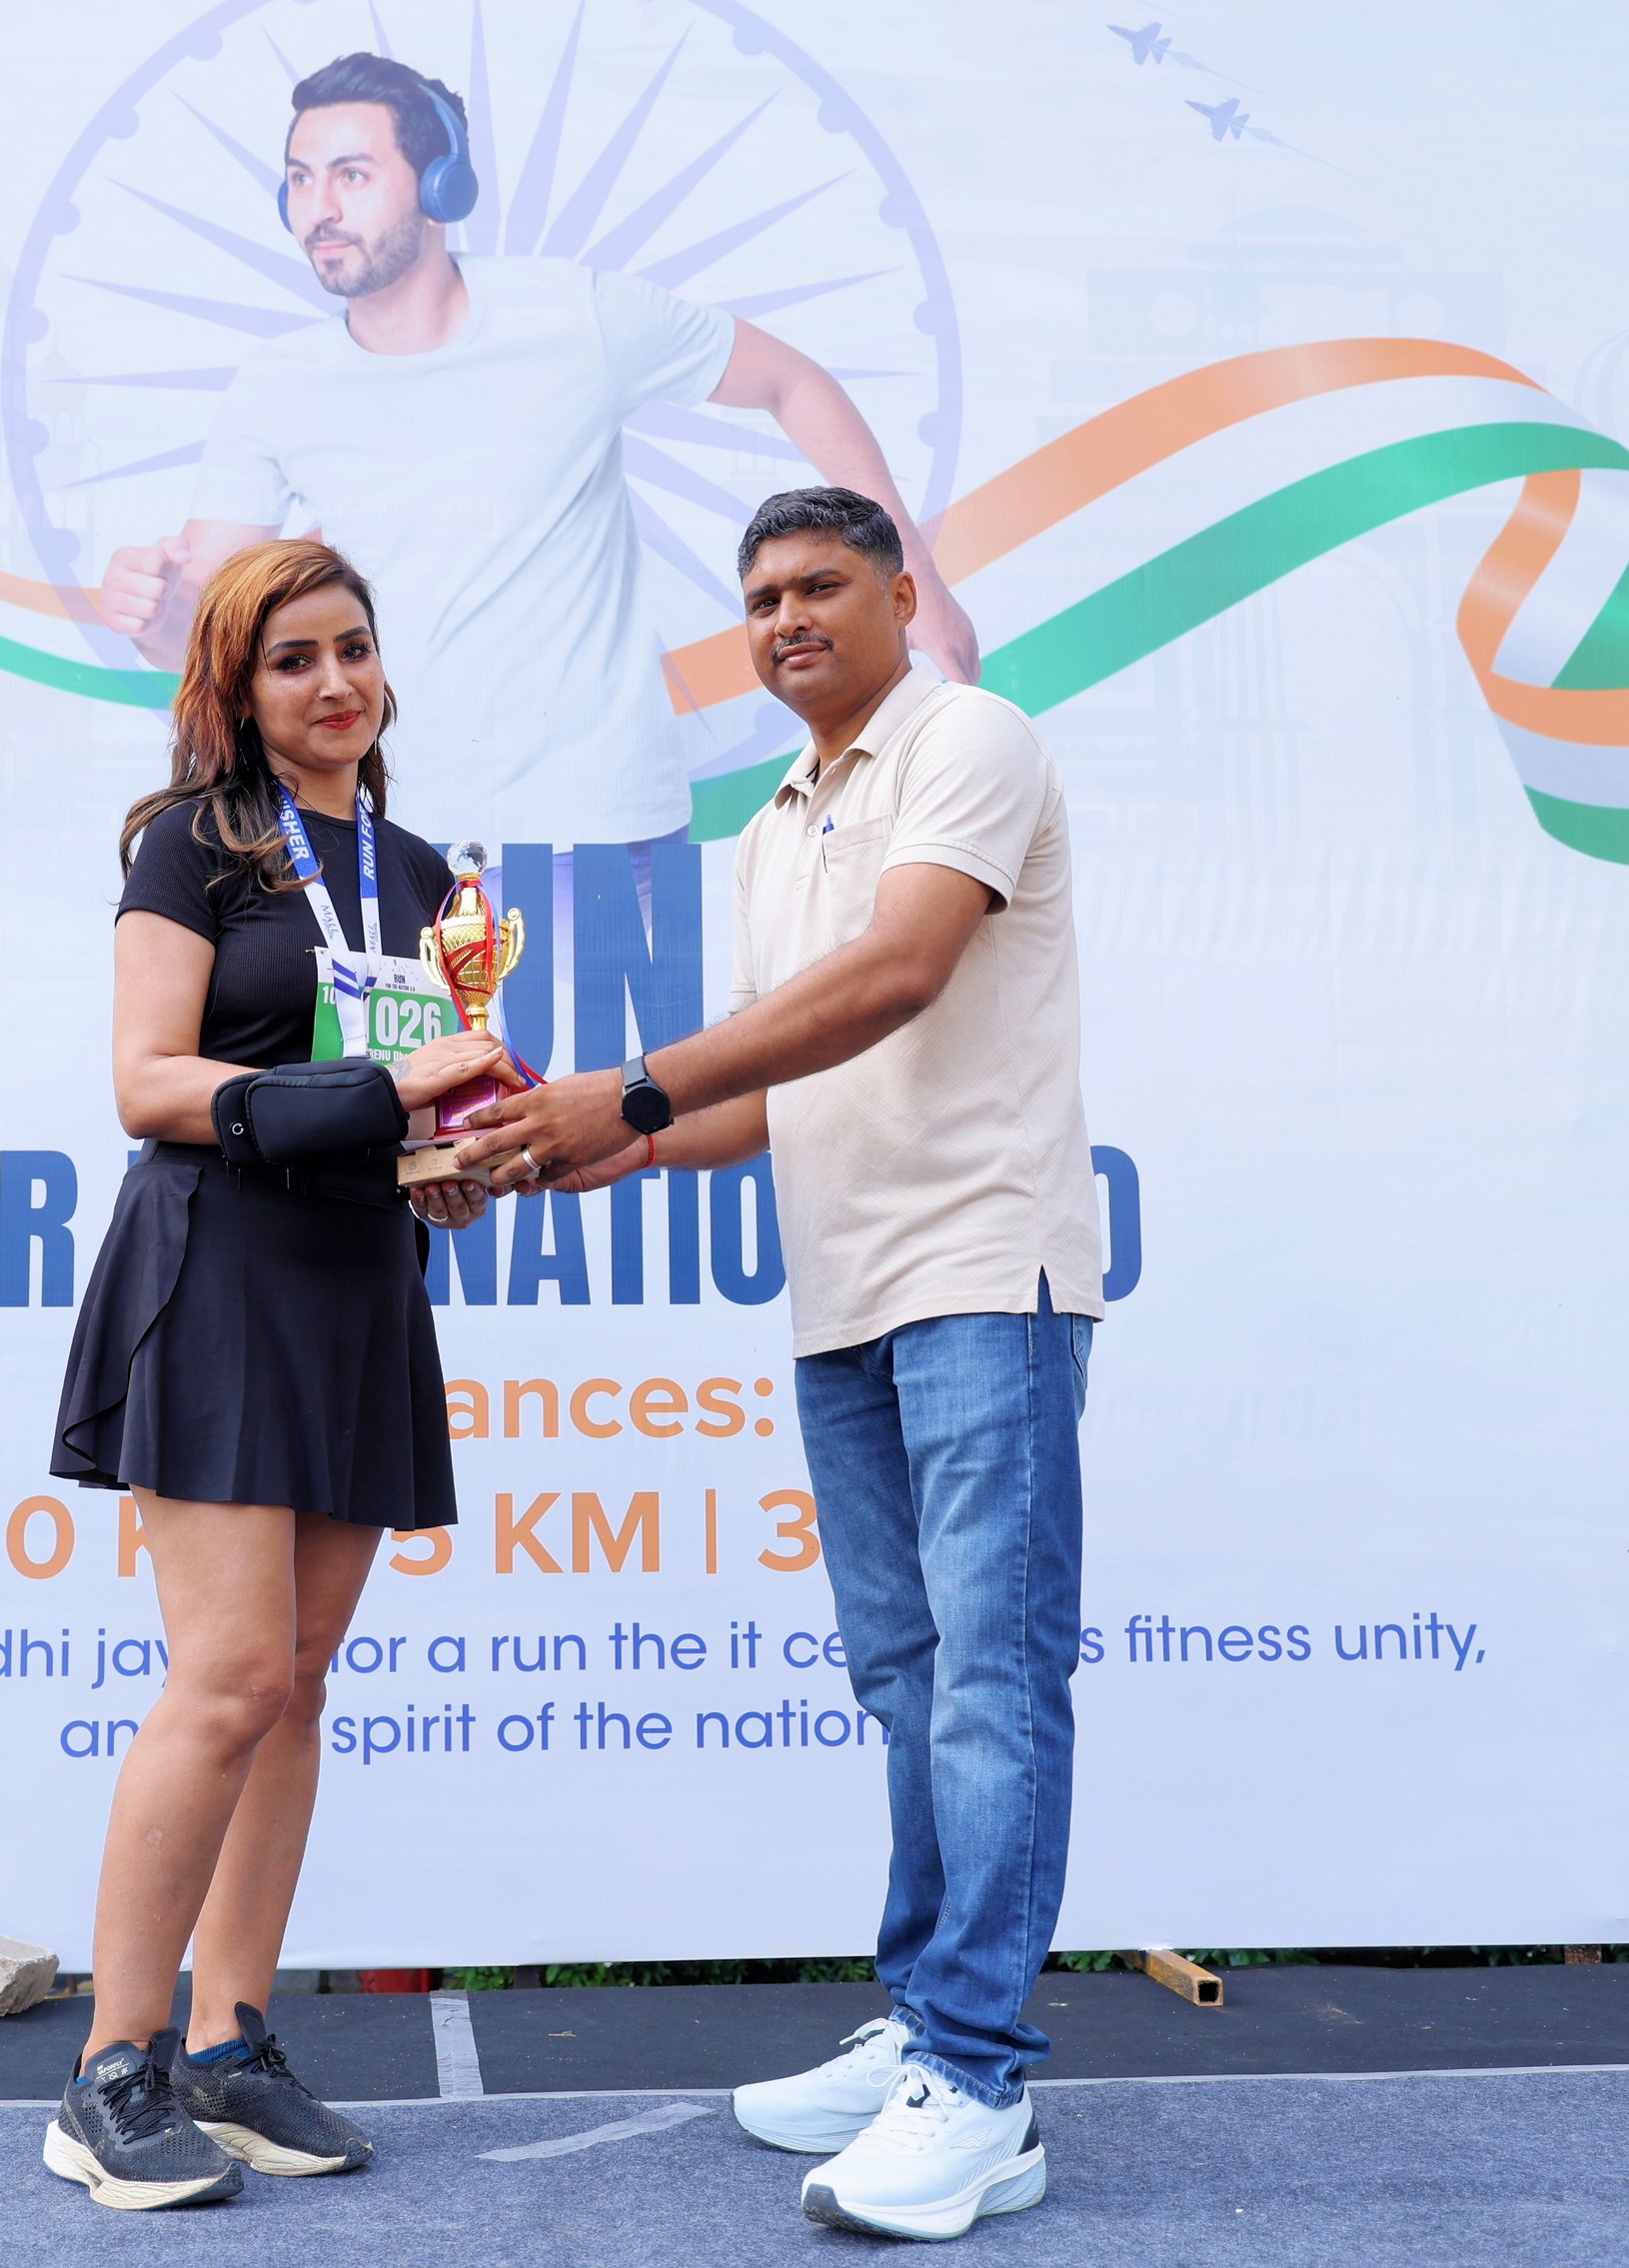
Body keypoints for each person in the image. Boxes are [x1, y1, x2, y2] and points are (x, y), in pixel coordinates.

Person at [456, 487, 1108, 2242]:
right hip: (845, 1298)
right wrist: (577, 1146)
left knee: (990, 1679)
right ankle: (924, 2022)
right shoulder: (771, 824)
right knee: (908, 1678)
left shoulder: (969, 739)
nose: (787, 617)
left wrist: (629, 1086)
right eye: (759, 598)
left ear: (900, 596)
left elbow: (899, 972)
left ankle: (979, 2080)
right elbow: (773, 1088)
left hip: (983, 1281)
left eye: (821, 584)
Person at [44, 537, 505, 2211]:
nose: (335, 682)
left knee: (299, 1683)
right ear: (236, 691)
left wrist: (447, 1159)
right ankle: (112, 2069)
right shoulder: (192, 843)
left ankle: (232, 2048)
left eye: (354, 648)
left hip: (359, 1277)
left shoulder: (431, 877)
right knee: (231, 1675)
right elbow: (148, 1083)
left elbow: (422, 1097)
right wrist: (377, 1105)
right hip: (221, 1266)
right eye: (294, 658)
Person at [97, 50, 979, 856]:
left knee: (647, 1001)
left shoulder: (573, 316)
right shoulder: (276, 385)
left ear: (440, 186)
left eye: (351, 175)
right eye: (300, 179)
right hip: (394, 839)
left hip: (608, 830)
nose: (319, 208)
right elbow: (205, 632)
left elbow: (792, 382)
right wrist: (154, 615)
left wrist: (915, 578)